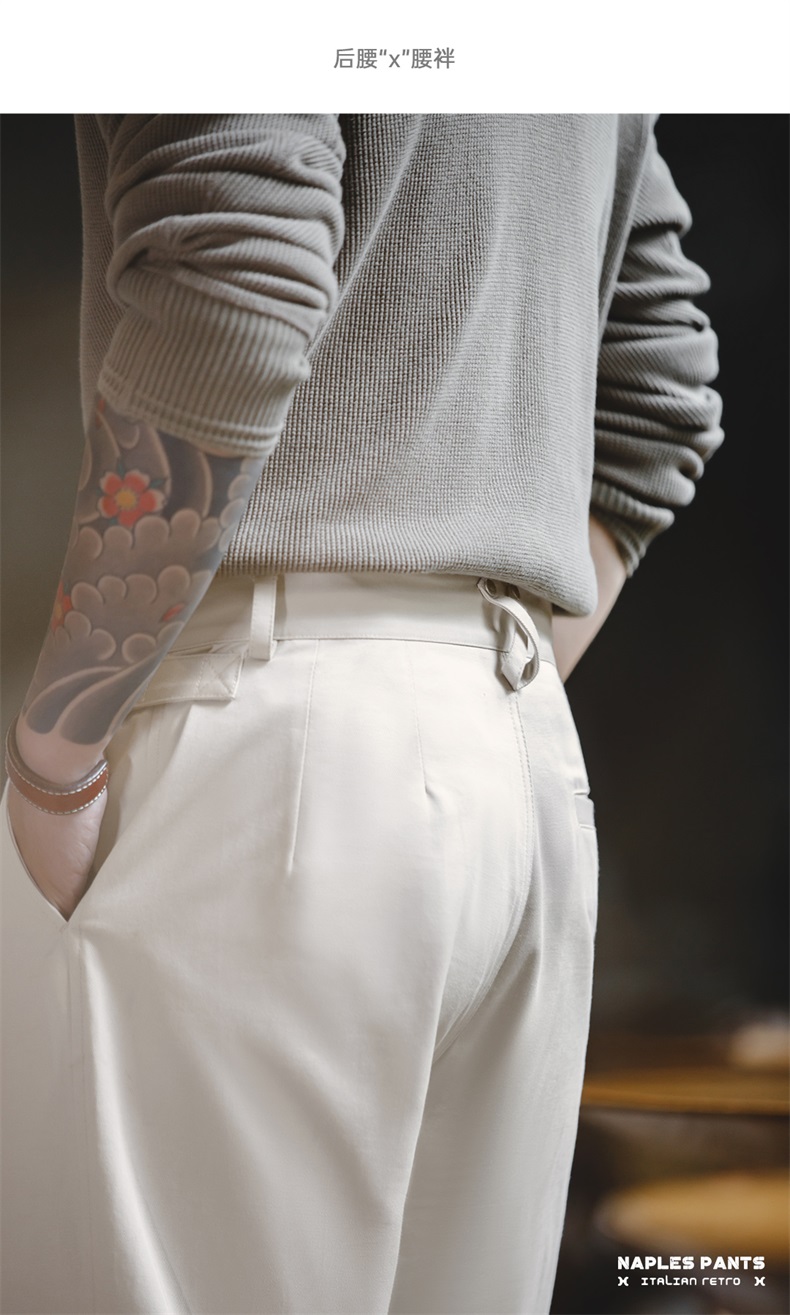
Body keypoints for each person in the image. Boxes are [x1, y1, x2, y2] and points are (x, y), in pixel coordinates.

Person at [1, 114, 723, 1315]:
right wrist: (459, 694)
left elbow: (235, 273)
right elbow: (661, 385)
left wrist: (56, 748)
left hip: (269, 748)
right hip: (518, 765)